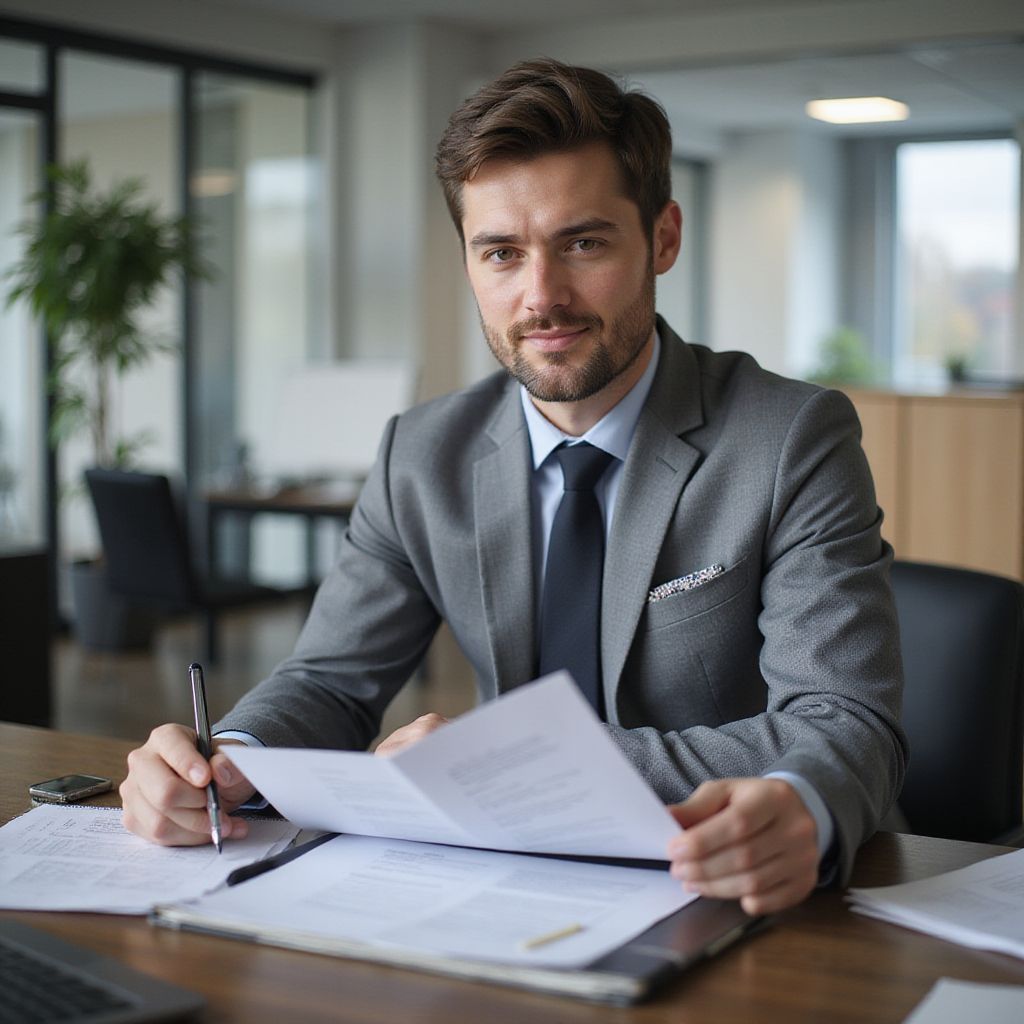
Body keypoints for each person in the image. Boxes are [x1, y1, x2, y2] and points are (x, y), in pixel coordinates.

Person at [121, 58, 907, 915]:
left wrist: (499, 763)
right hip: (501, 884)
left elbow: (842, 724)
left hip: (730, 878)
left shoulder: (789, 438)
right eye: (502, 252)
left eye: (584, 242)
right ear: (468, 263)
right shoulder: (420, 454)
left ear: (664, 238)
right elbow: (328, 683)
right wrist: (229, 757)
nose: (543, 297)